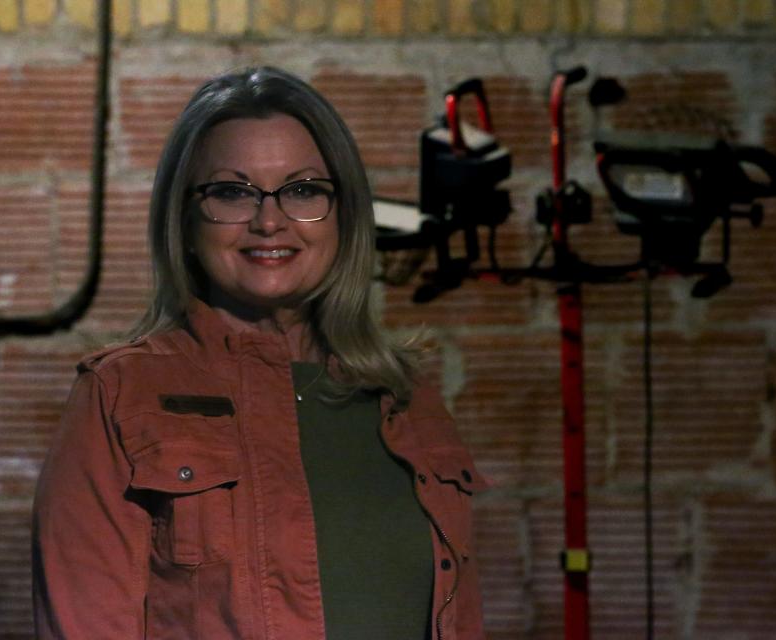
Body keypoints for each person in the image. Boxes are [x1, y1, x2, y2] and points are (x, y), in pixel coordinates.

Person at [32, 66, 488, 640]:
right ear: (186, 217)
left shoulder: (407, 395)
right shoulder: (120, 396)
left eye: (303, 190)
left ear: (344, 212)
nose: (269, 221)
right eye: (232, 191)